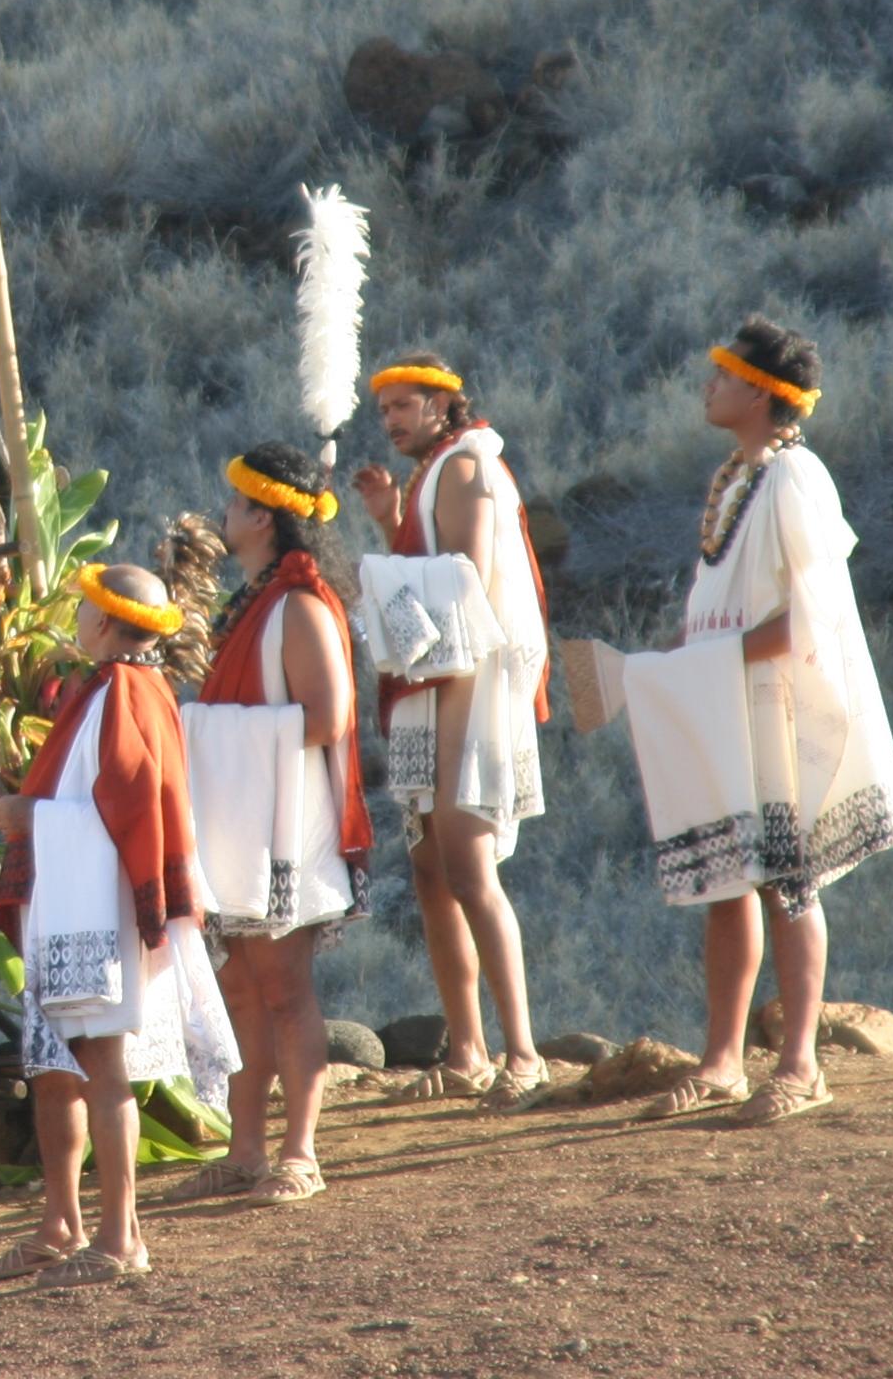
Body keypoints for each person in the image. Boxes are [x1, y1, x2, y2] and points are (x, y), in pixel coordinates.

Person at [614, 319, 893, 1124]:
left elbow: (808, 615)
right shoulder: (735, 478)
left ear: (757, 392)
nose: (707, 389)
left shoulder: (794, 478)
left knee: (789, 880)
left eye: (721, 376)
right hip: (728, 707)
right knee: (728, 885)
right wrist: (683, 661)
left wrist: (711, 663)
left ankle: (801, 1064)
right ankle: (720, 1063)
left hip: (772, 707)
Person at [0, 564, 236, 1288]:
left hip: (95, 911)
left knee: (102, 1068)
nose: (80, 618)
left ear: (102, 621)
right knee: (61, 1067)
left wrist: (34, 817)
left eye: (87, 608)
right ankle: (63, 1225)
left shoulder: (122, 690)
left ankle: (122, 1238)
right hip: (80, 903)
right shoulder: (120, 686)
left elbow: (130, 811)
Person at [351, 354, 553, 1112]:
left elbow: (464, 577)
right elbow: (432, 567)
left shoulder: (466, 467)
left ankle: (524, 1054)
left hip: (466, 691)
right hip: (431, 688)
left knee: (469, 871)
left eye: (405, 405)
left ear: (443, 406)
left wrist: (376, 570)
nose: (393, 420)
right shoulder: (434, 471)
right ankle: (467, 1051)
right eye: (387, 409)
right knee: (432, 874)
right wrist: (386, 522)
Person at [176, 446, 369, 1205]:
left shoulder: (298, 602)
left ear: (261, 514)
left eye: (232, 504)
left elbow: (329, 718)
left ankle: (301, 1154)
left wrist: (212, 728)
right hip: (244, 817)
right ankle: (245, 1149)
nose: (222, 514)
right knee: (240, 988)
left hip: (285, 821)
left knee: (284, 987)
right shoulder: (253, 597)